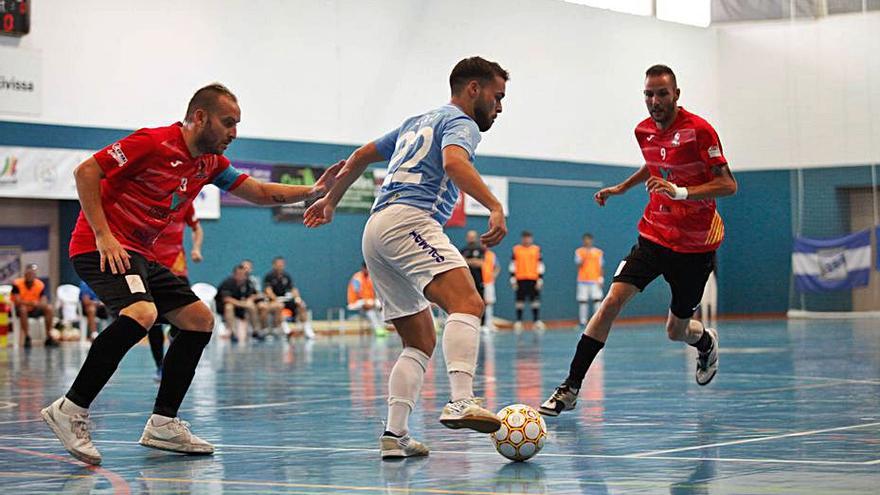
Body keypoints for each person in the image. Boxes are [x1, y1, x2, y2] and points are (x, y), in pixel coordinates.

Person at [40, 83, 341, 465]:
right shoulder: (153, 142)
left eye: (238, 125)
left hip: (142, 256)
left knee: (199, 319)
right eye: (228, 123)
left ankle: (164, 423)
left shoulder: (210, 164)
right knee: (142, 314)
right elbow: (86, 171)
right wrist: (103, 235)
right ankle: (70, 409)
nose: (234, 133)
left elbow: (260, 192)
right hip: (101, 247)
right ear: (200, 117)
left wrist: (313, 192)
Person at [304, 56, 509, 459]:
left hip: (375, 229)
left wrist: (331, 200)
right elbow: (453, 161)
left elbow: (361, 155)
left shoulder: (416, 121)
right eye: (497, 97)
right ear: (473, 89)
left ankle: (394, 435)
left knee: (419, 340)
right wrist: (494, 205)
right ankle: (462, 399)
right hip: (410, 219)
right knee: (467, 302)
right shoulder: (461, 123)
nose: (499, 107)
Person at [539, 65, 737, 417]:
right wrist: (622, 187)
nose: (655, 101)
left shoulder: (700, 132)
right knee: (611, 301)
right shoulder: (643, 131)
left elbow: (727, 184)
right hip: (654, 235)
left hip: (695, 246)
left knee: (676, 331)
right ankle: (570, 388)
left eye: (662, 93)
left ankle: (705, 341)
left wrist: (681, 191)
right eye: (649, 94)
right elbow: (655, 163)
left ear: (676, 94)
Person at [148, 202, 204, 381]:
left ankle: (173, 340)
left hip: (176, 267)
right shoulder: (148, 198)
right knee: (152, 319)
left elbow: (197, 229)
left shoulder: (184, 202)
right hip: (150, 265)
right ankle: (160, 366)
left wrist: (196, 249)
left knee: (185, 316)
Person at [263, 256, 315, 339]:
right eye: (278, 264)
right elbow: (268, 291)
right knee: (279, 307)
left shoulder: (286, 276)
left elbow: (293, 289)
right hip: (276, 301)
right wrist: (275, 299)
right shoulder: (269, 277)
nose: (280, 266)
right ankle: (286, 330)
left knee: (301, 305)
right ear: (274, 265)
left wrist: (298, 298)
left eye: (282, 264)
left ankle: (307, 330)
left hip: (286, 299)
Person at [11, 264, 59, 347]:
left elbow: (44, 301)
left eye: (32, 273)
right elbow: (18, 301)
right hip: (21, 310)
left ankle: (49, 336)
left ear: (35, 275)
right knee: (23, 309)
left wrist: (39, 304)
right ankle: (27, 337)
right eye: (28, 273)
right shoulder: (17, 284)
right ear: (25, 274)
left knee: (49, 308)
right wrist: (32, 303)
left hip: (35, 309)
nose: (30, 275)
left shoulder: (40, 285)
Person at [216, 264, 262, 342]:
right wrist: (242, 303)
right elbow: (227, 299)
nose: (241, 276)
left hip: (241, 307)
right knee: (229, 307)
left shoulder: (248, 282)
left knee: (252, 306)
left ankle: (256, 331)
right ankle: (233, 333)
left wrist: (250, 299)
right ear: (234, 274)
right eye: (239, 274)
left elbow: (256, 294)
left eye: (243, 274)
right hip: (224, 308)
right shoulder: (227, 283)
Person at [510, 231, 544, 331]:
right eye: (525, 238)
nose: (527, 240)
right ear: (522, 239)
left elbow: (540, 265)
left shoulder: (536, 249)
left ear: (531, 238)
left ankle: (536, 321)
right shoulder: (516, 249)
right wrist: (512, 279)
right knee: (519, 301)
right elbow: (513, 265)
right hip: (520, 278)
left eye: (528, 238)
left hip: (533, 278)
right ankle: (519, 321)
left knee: (535, 300)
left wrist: (540, 279)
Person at [347, 262, 386, 336]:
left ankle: (382, 328)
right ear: (363, 268)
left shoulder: (371, 277)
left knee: (381, 307)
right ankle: (377, 329)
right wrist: (366, 303)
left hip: (370, 301)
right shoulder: (356, 278)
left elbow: (375, 292)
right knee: (369, 311)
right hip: (356, 301)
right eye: (366, 268)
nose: (368, 270)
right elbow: (357, 294)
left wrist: (374, 302)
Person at [575, 233, 604, 326]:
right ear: (583, 241)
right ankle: (583, 322)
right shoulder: (579, 252)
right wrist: (585, 256)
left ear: (592, 240)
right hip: (583, 280)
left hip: (595, 280)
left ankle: (598, 321)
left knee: (597, 300)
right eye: (585, 240)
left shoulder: (598, 252)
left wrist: (601, 278)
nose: (587, 242)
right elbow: (578, 265)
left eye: (589, 240)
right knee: (583, 301)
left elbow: (601, 266)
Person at [459, 230, 486, 326]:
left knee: (480, 300)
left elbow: (480, 263)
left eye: (473, 236)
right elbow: (462, 263)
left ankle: (482, 324)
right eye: (469, 236)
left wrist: (468, 261)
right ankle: (467, 323)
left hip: (479, 279)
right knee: (465, 300)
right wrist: (473, 261)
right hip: (466, 280)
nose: (471, 238)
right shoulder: (463, 250)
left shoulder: (481, 249)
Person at [481, 246, 500, 332]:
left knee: (489, 303)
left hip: (488, 282)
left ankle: (489, 323)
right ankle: (480, 324)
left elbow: (497, 267)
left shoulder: (491, 255)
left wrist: (493, 276)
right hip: (478, 282)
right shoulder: (477, 254)